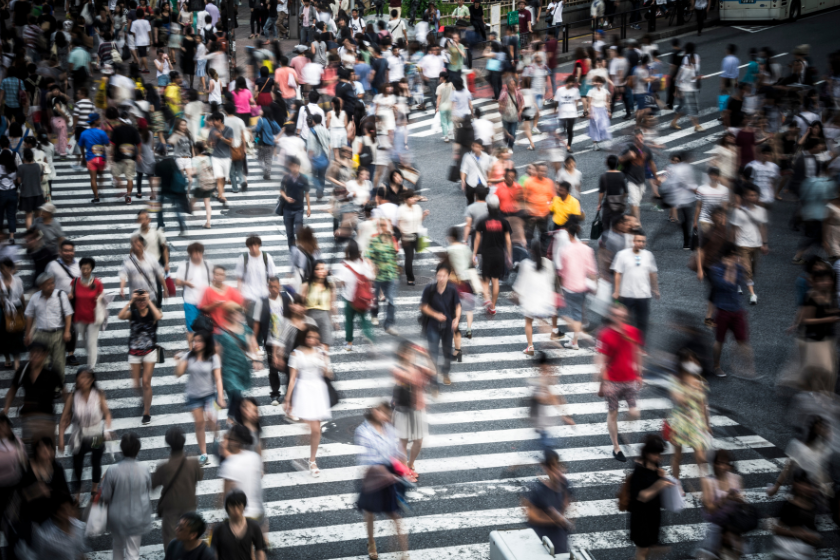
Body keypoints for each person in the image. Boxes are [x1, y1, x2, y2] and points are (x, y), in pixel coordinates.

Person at [596, 304, 643, 462]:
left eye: (622, 316)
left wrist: (639, 374)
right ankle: (616, 446)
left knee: (634, 412)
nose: (620, 319)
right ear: (611, 317)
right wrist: (601, 382)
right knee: (613, 413)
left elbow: (636, 352)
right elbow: (600, 360)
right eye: (616, 316)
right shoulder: (605, 335)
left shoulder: (633, 332)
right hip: (612, 381)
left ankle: (620, 431)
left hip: (629, 379)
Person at [58, 365, 112, 502]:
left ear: (92, 379)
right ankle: (77, 494)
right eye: (81, 377)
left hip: (95, 435)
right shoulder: (73, 396)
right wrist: (61, 438)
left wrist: (106, 430)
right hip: (79, 436)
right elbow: (64, 418)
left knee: (96, 462)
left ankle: (94, 488)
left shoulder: (99, 393)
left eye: (87, 377)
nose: (84, 380)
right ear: (76, 380)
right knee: (77, 466)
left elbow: (107, 414)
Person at [286, 324, 332, 476]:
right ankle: (302, 456)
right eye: (309, 337)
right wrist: (288, 399)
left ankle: (312, 460)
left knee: (315, 428)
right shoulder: (296, 354)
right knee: (311, 428)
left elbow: (328, 374)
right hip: (303, 390)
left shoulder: (321, 352)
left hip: (318, 390)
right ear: (304, 337)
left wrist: (325, 358)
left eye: (315, 337)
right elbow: (292, 379)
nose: (312, 340)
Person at [101, 433, 153, 560]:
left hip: (117, 516)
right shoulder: (145, 468)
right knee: (133, 551)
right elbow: (148, 489)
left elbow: (105, 496)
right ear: (138, 450)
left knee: (118, 545)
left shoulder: (112, 470)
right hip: (138, 516)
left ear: (122, 449)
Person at [175, 332, 224, 464]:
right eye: (194, 341)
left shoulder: (213, 357)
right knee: (199, 424)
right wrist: (179, 361)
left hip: (210, 394)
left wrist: (220, 396)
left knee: (211, 420)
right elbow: (178, 374)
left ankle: (216, 436)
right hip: (193, 396)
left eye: (199, 341)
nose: (195, 344)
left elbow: (218, 379)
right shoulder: (188, 356)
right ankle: (203, 453)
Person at [151, 427, 204, 550]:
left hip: (171, 507)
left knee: (171, 539)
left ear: (168, 443)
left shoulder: (164, 466)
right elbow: (200, 477)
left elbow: (153, 485)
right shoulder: (193, 461)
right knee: (190, 536)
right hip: (190, 504)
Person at [118, 288, 162, 425]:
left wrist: (148, 300)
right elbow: (120, 315)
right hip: (135, 352)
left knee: (146, 382)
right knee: (137, 384)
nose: (141, 302)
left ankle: (146, 412)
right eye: (139, 300)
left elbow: (159, 316)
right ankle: (144, 398)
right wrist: (131, 300)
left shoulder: (152, 313)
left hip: (150, 350)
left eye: (143, 300)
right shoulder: (133, 314)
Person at [710, 243, 753, 378]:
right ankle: (716, 366)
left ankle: (750, 369)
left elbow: (737, 282)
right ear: (728, 256)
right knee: (719, 341)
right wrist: (729, 269)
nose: (737, 258)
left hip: (737, 310)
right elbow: (724, 285)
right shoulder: (715, 269)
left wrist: (735, 268)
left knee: (743, 340)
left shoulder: (738, 268)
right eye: (735, 255)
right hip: (722, 310)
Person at [392, 341, 434, 476]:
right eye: (410, 353)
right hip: (404, 409)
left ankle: (410, 464)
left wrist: (427, 356)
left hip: (418, 408)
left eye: (413, 353)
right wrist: (419, 371)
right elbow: (412, 380)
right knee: (403, 440)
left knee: (418, 441)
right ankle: (405, 470)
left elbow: (432, 373)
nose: (413, 355)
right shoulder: (397, 369)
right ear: (402, 354)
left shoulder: (417, 367)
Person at [667, 353, 710, 481]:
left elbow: (703, 404)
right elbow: (680, 399)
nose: (693, 363)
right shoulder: (675, 380)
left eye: (694, 360)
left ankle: (706, 484)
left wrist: (707, 423)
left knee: (701, 457)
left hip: (696, 422)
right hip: (680, 422)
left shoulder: (700, 381)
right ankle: (676, 482)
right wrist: (691, 386)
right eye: (689, 360)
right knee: (678, 456)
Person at [628, 435, 673, 559]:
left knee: (645, 550)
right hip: (641, 517)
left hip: (653, 514)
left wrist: (663, 477)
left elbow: (656, 478)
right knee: (642, 552)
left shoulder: (655, 464)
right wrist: (659, 484)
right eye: (656, 454)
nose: (659, 457)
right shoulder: (639, 470)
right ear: (647, 453)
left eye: (660, 454)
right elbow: (642, 496)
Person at [24, 271, 73, 381]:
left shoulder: (61, 295)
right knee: (41, 362)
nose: (52, 286)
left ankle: (58, 387)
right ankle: (42, 384)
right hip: (40, 334)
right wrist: (28, 335)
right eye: (48, 284)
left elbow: (68, 313)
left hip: (58, 334)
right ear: (41, 286)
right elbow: (29, 316)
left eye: (52, 283)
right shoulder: (35, 298)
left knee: (58, 362)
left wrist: (67, 331)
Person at [523, 450, 573, 554]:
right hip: (540, 535)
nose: (555, 470)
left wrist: (561, 516)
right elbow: (532, 517)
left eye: (557, 466)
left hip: (558, 534)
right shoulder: (536, 489)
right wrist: (554, 520)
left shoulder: (564, 483)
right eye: (551, 467)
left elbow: (566, 502)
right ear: (546, 468)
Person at [611, 232, 659, 340]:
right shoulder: (622, 254)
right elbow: (617, 273)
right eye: (638, 241)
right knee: (626, 320)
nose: (641, 243)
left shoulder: (648, 255)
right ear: (633, 241)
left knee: (642, 321)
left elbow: (652, 273)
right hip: (627, 294)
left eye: (643, 241)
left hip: (643, 294)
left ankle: (640, 345)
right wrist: (616, 291)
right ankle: (625, 342)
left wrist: (655, 289)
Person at [216, 306, 260, 425]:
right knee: (236, 392)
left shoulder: (246, 330)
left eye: (239, 313)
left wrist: (257, 359)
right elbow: (217, 352)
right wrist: (216, 369)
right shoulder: (222, 331)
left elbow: (254, 346)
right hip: (228, 369)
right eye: (235, 313)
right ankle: (231, 417)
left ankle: (237, 422)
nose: (239, 316)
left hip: (242, 367)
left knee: (235, 397)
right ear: (229, 315)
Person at [420, 262, 461, 386]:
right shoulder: (430, 289)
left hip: (448, 326)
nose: (441, 278)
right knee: (433, 353)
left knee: (447, 351)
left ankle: (445, 372)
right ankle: (433, 380)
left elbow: (458, 305)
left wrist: (457, 319)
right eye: (439, 275)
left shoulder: (452, 290)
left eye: (443, 276)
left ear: (448, 276)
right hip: (432, 326)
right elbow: (423, 307)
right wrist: (435, 315)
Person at [514, 239, 556, 356]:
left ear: (531, 250)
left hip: (530, 299)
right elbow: (550, 282)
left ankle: (530, 346)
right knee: (542, 321)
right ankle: (550, 340)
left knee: (528, 322)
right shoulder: (548, 264)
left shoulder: (526, 264)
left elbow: (520, 283)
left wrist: (517, 294)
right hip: (543, 297)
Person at [473, 194, 512, 315]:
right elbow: (508, 240)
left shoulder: (482, 221)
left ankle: (486, 298)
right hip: (499, 254)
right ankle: (493, 306)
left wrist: (474, 253)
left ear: (488, 207)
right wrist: (509, 255)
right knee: (495, 280)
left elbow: (477, 239)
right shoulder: (504, 222)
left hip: (486, 254)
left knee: (485, 279)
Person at [334, 240, 375, 352]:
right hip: (363, 298)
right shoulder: (363, 262)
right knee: (364, 320)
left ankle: (349, 343)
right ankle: (370, 342)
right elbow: (371, 277)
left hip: (349, 298)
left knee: (349, 321)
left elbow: (340, 283)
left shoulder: (344, 266)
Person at [731, 184, 768, 305]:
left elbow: (762, 227)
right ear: (744, 196)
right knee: (747, 269)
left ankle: (738, 283)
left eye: (754, 195)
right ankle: (753, 294)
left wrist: (764, 243)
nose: (752, 197)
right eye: (750, 195)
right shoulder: (738, 212)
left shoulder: (761, 211)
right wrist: (734, 246)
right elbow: (735, 229)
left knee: (752, 269)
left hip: (756, 244)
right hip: (742, 244)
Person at [366, 218, 400, 336]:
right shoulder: (375, 240)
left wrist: (395, 269)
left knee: (391, 301)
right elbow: (367, 255)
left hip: (390, 275)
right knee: (375, 298)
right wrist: (372, 267)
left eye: (386, 225)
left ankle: (388, 325)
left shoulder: (393, 239)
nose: (385, 228)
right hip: (378, 276)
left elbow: (395, 254)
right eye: (382, 225)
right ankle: (374, 315)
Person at [211, 490, 267, 560]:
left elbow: (260, 552)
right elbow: (213, 554)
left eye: (239, 506)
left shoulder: (254, 527)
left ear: (244, 506)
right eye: (232, 507)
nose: (236, 511)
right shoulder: (219, 529)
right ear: (227, 508)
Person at [175, 243, 212, 347]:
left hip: (205, 302)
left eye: (199, 252)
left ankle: (206, 350)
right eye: (195, 252)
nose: (197, 255)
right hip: (190, 301)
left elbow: (213, 280)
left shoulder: (207, 264)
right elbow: (177, 282)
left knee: (207, 326)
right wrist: (185, 283)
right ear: (190, 254)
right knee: (191, 329)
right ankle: (191, 352)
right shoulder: (185, 265)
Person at [119, 234, 168, 304]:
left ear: (142, 244)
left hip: (150, 298)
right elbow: (123, 275)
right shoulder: (127, 261)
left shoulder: (151, 258)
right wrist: (121, 289)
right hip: (136, 300)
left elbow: (159, 274)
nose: (134, 244)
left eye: (136, 242)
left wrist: (165, 289)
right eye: (132, 242)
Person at [279, 156, 312, 250]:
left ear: (299, 167)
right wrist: (286, 198)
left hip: (299, 209)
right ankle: (293, 251)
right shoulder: (286, 178)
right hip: (287, 210)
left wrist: (309, 208)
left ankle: (300, 250)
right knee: (289, 234)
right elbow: (281, 190)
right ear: (290, 167)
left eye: (297, 166)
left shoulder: (303, 179)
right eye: (293, 166)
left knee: (299, 231)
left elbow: (307, 194)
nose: (295, 168)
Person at [77, 113, 111, 204]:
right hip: (101, 159)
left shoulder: (84, 133)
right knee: (101, 175)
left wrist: (83, 157)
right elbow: (107, 144)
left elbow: (81, 145)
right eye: (99, 120)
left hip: (90, 159)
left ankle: (96, 197)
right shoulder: (102, 132)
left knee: (93, 178)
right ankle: (100, 190)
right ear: (95, 121)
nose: (100, 121)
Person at [198, 265, 245, 331]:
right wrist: (213, 305)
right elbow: (203, 308)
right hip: (215, 328)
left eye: (222, 275)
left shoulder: (231, 290)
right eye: (217, 274)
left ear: (224, 276)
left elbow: (240, 306)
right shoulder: (208, 290)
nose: (220, 277)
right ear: (213, 276)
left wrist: (231, 306)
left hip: (230, 328)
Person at [0, 258, 25, 370]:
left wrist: (24, 309)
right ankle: (7, 358)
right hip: (4, 312)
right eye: (1, 269)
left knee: (16, 335)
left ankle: (16, 361)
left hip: (16, 309)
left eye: (4, 268)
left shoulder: (18, 280)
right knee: (4, 336)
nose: (2, 271)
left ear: (10, 268)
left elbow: (21, 295)